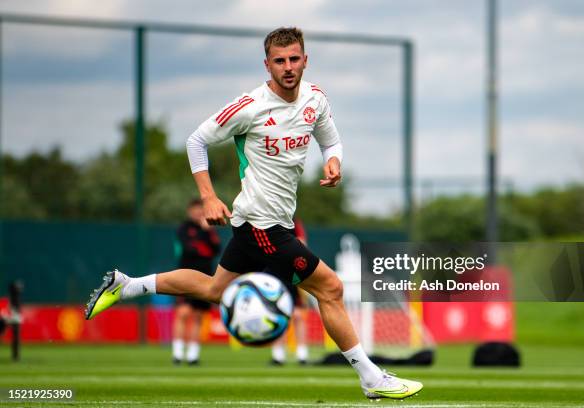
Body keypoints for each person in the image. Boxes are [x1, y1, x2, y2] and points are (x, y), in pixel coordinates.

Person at [85, 27, 423, 399]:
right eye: (280, 61)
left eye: (294, 59)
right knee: (331, 288)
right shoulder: (250, 106)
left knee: (216, 289)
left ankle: (129, 284)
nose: (288, 67)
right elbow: (196, 140)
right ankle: (371, 378)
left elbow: (331, 139)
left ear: (305, 60)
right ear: (268, 65)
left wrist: (333, 162)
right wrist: (209, 197)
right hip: (262, 225)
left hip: (270, 222)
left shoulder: (315, 99)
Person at [172, 198, 221, 365]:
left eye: (201, 210)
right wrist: (203, 247)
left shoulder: (209, 229)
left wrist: (207, 232)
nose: (198, 212)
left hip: (205, 276)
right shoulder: (183, 228)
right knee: (183, 313)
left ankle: (193, 355)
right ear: (189, 211)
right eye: (195, 209)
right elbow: (189, 249)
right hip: (185, 276)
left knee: (199, 316)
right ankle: (177, 353)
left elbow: (216, 250)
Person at [270, 218, 309, 366]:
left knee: (298, 315)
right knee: (278, 315)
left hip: (292, 272)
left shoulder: (294, 222)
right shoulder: (265, 220)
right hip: (273, 273)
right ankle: (278, 355)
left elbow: (302, 244)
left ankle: (302, 354)